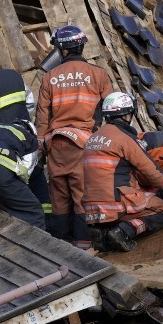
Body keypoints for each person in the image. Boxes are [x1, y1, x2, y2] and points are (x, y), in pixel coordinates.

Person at [36, 25, 113, 250]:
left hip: (57, 143)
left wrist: (42, 145)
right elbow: (108, 109)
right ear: (81, 46)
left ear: (62, 50)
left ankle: (61, 243)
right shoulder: (98, 74)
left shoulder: (49, 77)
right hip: (85, 143)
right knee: (82, 193)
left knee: (59, 194)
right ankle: (83, 242)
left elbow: (42, 117)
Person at [82, 92, 163, 252]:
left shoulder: (93, 139)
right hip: (117, 203)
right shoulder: (124, 138)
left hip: (91, 208)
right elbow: (153, 173)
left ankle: (103, 233)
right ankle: (125, 231)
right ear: (128, 114)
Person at [0, 55, 49, 223]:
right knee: (37, 179)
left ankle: (30, 228)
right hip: (26, 137)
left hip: (2, 147)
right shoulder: (12, 75)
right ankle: (51, 225)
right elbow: (29, 103)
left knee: (16, 189)